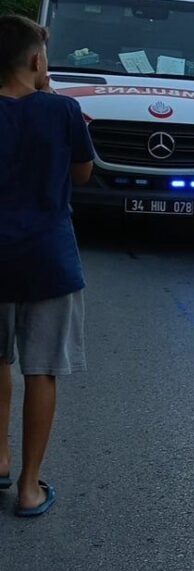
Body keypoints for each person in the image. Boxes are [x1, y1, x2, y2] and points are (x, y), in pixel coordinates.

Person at [0, 15, 95, 518]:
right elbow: (82, 174)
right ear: (37, 60)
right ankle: (29, 488)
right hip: (48, 260)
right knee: (41, 370)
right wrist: (50, 95)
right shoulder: (63, 111)